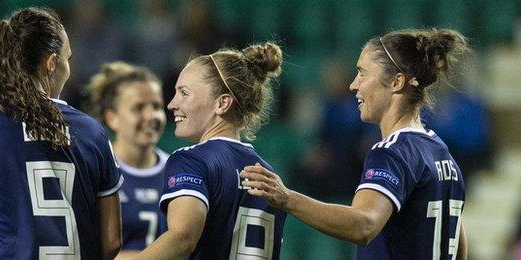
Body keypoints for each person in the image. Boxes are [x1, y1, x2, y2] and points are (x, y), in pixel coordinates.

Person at [241, 28, 470, 259]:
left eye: (362, 73)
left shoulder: (392, 152)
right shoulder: (442, 154)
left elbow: (364, 225)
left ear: (396, 82)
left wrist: (288, 198)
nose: (353, 85)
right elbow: (458, 246)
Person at [0, 7, 122, 260]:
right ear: (52, 64)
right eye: (68, 59)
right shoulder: (92, 132)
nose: (69, 67)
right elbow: (112, 242)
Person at [135, 43, 287, 259]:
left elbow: (183, 238)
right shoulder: (270, 177)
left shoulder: (191, 161)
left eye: (184, 93)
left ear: (222, 103)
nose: (171, 104)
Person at [88, 61, 168, 258]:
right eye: (138, 108)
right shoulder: (95, 171)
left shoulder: (178, 171)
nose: (151, 116)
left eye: (157, 106)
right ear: (112, 118)